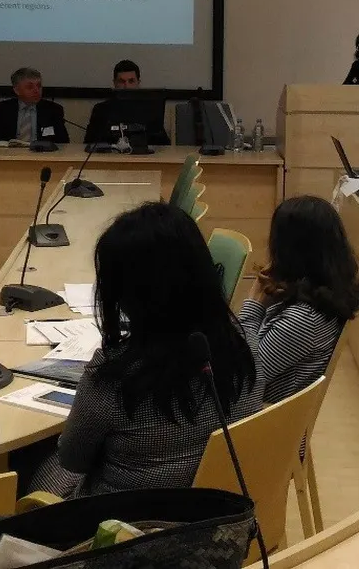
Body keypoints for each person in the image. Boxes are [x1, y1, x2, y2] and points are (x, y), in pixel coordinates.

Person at [31, 202, 262, 498]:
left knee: (28, 459)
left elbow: (72, 460)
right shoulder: (245, 343)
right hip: (216, 510)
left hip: (123, 521)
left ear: (128, 296)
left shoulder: (113, 378)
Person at [240, 196, 359, 403]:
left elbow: (245, 378)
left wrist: (253, 303)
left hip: (261, 414)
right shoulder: (321, 292)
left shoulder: (304, 318)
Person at [83, 59, 170, 145]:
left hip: (142, 153)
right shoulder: (101, 109)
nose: (126, 86)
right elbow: (89, 142)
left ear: (138, 83)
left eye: (131, 81)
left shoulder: (150, 109)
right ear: (114, 83)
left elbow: (164, 143)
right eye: (121, 81)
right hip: (111, 153)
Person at [0, 67, 69, 144]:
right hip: (9, 156)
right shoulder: (1, 109)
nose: (36, 90)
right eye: (30, 87)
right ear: (17, 90)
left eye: (39, 86)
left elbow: (63, 143)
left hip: (41, 155)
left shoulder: (53, 110)